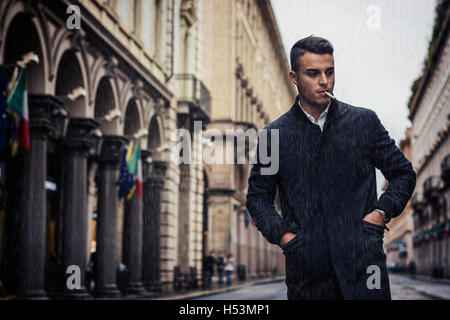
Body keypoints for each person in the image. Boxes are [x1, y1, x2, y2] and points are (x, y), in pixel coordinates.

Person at [246, 36, 416, 300]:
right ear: (294, 76)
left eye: (329, 72)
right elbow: (258, 199)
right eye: (313, 74)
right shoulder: (273, 137)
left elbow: (403, 173)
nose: (324, 81)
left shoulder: (364, 123)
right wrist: (285, 237)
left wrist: (380, 214)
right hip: (308, 274)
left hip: (365, 268)